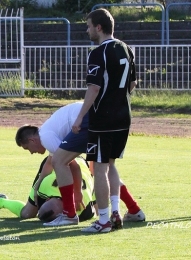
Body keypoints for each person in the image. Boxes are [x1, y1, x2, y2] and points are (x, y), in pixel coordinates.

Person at [16, 103, 144, 226]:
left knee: (62, 162)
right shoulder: (48, 132)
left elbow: (73, 165)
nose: (31, 152)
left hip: (86, 121)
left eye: (27, 148)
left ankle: (69, 214)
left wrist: (77, 193)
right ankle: (134, 209)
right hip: (105, 117)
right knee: (103, 168)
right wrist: (37, 184)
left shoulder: (45, 137)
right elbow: (49, 163)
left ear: (32, 140)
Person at [72, 8, 137, 233]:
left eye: (89, 26)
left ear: (99, 27)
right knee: (110, 164)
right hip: (123, 116)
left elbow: (94, 87)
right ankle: (116, 212)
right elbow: (132, 85)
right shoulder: (127, 49)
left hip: (104, 117)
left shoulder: (98, 53)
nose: (87, 30)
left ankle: (103, 220)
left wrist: (80, 116)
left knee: (99, 167)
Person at [0, 156, 96, 222]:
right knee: (27, 213)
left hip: (80, 166)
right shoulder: (43, 186)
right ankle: (2, 201)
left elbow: (92, 184)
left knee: (26, 214)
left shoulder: (85, 211)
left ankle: (2, 201)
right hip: (53, 162)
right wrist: (36, 188)